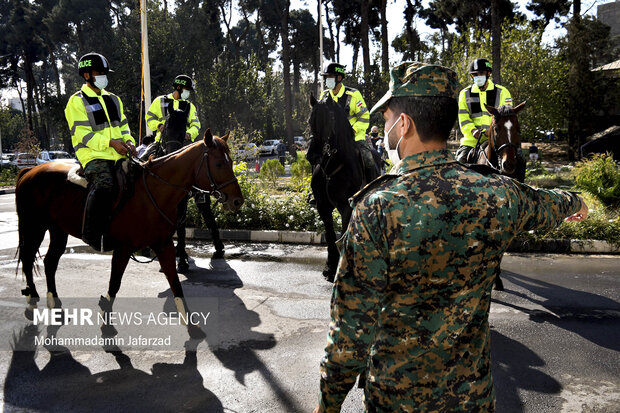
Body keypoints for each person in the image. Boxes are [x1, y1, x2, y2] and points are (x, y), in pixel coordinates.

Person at [313, 62, 588, 413]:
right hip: (473, 399)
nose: (383, 127)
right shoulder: (498, 194)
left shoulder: (377, 208)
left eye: (386, 118)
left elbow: (351, 333)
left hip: (397, 402)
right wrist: (577, 203)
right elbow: (546, 203)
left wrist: (328, 404)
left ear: (404, 124)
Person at [65, 52, 137, 252]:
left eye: (105, 73)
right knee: (105, 185)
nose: (104, 76)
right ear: (87, 75)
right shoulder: (76, 101)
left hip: (119, 152)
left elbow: (124, 127)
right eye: (99, 72)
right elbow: (82, 135)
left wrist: (129, 142)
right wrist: (110, 143)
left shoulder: (114, 99)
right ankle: (92, 233)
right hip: (93, 156)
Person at [145, 75, 202, 272]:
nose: (188, 94)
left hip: (181, 145)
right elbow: (149, 117)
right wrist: (159, 127)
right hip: (161, 143)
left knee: (197, 168)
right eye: (186, 90)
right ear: (179, 87)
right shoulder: (160, 101)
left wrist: (190, 134)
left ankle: (198, 192)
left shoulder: (189, 106)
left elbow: (195, 124)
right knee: (142, 162)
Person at [319, 62, 376, 180]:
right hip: (331, 142)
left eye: (330, 77)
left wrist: (352, 130)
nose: (327, 80)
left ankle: (373, 188)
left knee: (369, 159)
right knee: (316, 158)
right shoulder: (324, 96)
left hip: (354, 139)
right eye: (326, 77)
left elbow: (364, 116)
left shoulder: (353, 95)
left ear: (339, 78)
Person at [456, 58, 514, 164]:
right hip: (472, 141)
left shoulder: (502, 92)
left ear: (488, 73)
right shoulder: (464, 94)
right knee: (459, 164)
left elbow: (506, 118)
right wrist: (473, 131)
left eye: (481, 73)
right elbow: (463, 118)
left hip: (498, 140)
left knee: (519, 159)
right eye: (474, 74)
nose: (478, 76)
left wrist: (491, 131)